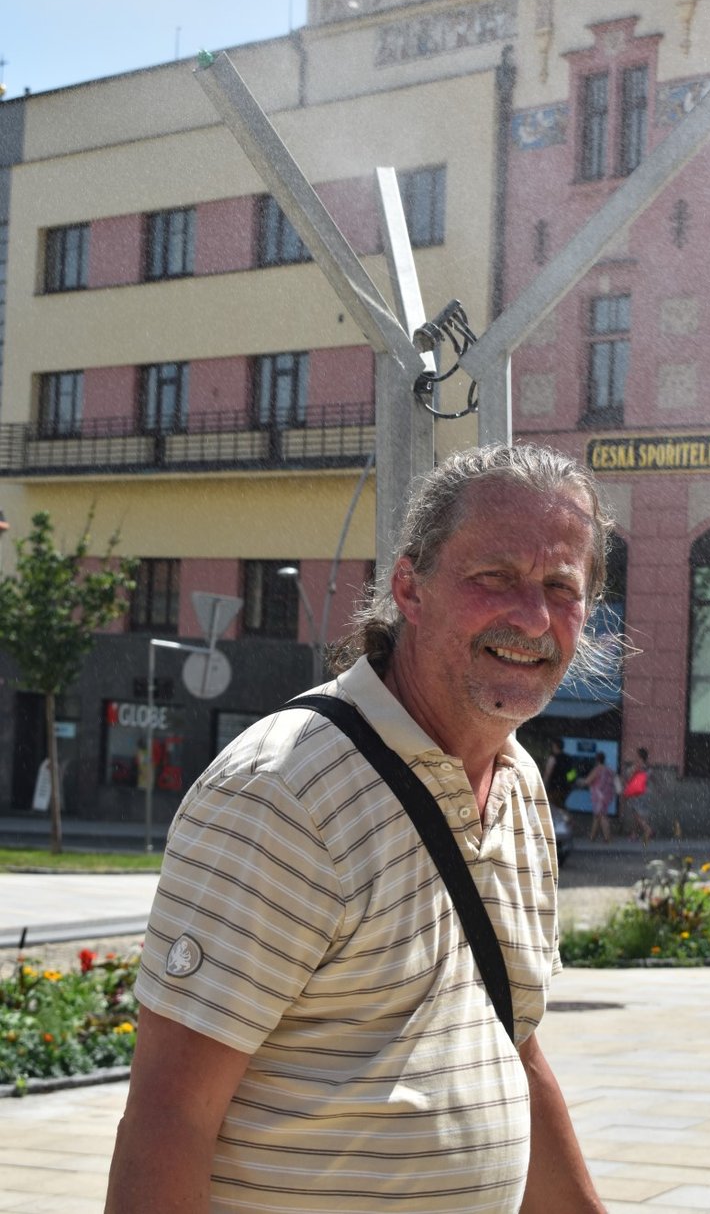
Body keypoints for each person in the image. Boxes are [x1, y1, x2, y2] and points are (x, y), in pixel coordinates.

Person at [105, 443, 610, 1214]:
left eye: (559, 587)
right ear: (410, 586)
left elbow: (514, 1042)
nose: (532, 616)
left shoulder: (518, 784)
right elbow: (169, 1120)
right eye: (495, 578)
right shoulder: (281, 792)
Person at [580, 751, 616, 844]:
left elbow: (588, 781)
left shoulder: (597, 769)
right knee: (597, 816)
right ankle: (592, 836)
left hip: (599, 796)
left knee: (602, 816)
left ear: (596, 760)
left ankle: (608, 838)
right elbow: (612, 781)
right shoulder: (609, 770)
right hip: (607, 795)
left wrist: (579, 781)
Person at [621, 745, 653, 845]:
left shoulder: (637, 766)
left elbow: (629, 776)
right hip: (645, 792)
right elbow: (651, 778)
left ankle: (647, 830)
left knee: (637, 815)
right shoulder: (648, 767)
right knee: (638, 815)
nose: (635, 757)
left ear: (639, 756)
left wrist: (625, 781)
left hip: (636, 793)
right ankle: (634, 835)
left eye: (636, 755)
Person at [543, 736, 578, 809]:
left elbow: (548, 773)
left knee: (551, 807)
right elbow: (573, 773)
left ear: (554, 746)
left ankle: (568, 819)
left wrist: (543, 785)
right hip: (566, 788)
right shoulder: (569, 758)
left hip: (554, 787)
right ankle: (567, 819)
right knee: (560, 806)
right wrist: (568, 782)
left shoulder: (553, 758)